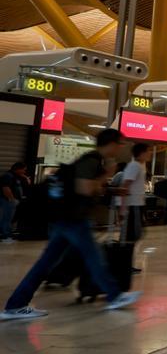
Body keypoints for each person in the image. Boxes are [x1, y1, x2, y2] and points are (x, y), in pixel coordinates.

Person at [1, 129, 141, 320]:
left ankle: (16, 304)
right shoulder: (92, 160)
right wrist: (106, 174)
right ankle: (114, 295)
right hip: (73, 219)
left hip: (67, 219)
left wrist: (112, 189)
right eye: (119, 144)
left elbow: (92, 189)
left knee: (46, 262)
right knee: (93, 256)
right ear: (110, 143)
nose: (120, 148)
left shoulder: (93, 161)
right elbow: (84, 188)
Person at [118, 144, 151, 257]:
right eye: (148, 151)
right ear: (142, 153)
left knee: (134, 234)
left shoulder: (139, 166)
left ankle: (126, 262)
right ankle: (123, 262)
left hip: (137, 204)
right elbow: (125, 186)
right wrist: (123, 208)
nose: (150, 153)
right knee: (132, 234)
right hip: (133, 205)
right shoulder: (135, 166)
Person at [0, 162, 28, 243]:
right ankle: (5, 235)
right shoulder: (8, 176)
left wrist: (25, 177)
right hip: (8, 201)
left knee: (8, 218)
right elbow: (5, 188)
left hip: (10, 201)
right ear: (18, 169)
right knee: (7, 219)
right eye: (23, 170)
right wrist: (12, 200)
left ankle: (6, 234)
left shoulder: (14, 176)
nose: (24, 172)